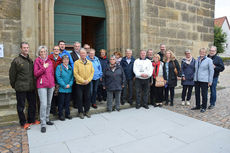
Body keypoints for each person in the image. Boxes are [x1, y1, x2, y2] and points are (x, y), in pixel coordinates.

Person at [9, 42, 39, 130]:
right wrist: (14, 85)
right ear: (21, 49)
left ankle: (32, 120)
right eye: (24, 48)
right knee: (21, 106)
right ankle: (23, 122)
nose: (26, 49)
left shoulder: (30, 60)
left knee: (32, 104)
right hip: (21, 88)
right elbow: (12, 75)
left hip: (31, 87)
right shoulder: (16, 60)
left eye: (27, 47)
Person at [34, 46, 55, 133]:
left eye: (44, 52)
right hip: (42, 85)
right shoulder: (37, 61)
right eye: (41, 52)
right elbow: (36, 74)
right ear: (39, 53)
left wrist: (53, 83)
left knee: (49, 103)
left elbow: (52, 73)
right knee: (44, 104)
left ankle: (47, 119)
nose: (43, 53)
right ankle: (43, 124)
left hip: (50, 85)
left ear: (46, 52)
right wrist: (43, 67)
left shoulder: (49, 61)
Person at [74, 48, 94, 119]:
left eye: (84, 53)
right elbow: (75, 74)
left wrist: (88, 80)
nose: (83, 54)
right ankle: (80, 112)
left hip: (88, 83)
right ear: (80, 54)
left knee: (87, 97)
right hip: (79, 84)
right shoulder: (76, 62)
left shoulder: (89, 62)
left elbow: (92, 72)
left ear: (86, 54)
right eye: (81, 53)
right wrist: (83, 81)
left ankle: (87, 111)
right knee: (79, 98)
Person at [192, 48, 214, 113]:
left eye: (203, 52)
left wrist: (210, 81)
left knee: (204, 94)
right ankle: (198, 105)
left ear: (205, 53)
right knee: (197, 93)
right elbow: (195, 70)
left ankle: (204, 107)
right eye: (201, 52)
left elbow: (211, 71)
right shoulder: (197, 59)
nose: (202, 53)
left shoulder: (209, 60)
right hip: (197, 80)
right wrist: (194, 78)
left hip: (204, 80)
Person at [56, 55, 74, 121]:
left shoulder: (70, 67)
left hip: (69, 88)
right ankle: (60, 115)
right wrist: (64, 85)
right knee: (61, 102)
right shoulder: (59, 67)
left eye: (67, 59)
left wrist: (70, 84)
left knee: (67, 102)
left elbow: (72, 77)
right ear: (62, 60)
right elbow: (58, 77)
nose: (66, 61)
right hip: (62, 88)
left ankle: (67, 114)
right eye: (64, 59)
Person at [48, 46, 62, 115]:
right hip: (50, 78)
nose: (56, 50)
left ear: (59, 51)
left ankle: (56, 108)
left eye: (57, 49)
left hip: (58, 79)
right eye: (55, 49)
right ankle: (52, 109)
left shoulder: (60, 59)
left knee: (56, 94)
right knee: (51, 94)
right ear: (53, 50)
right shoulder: (49, 58)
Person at [71, 41, 81, 108]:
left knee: (81, 90)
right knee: (76, 90)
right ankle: (75, 104)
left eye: (78, 46)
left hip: (83, 75)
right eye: (76, 46)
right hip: (75, 75)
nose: (77, 47)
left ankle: (81, 102)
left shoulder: (82, 54)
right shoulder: (71, 54)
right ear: (74, 47)